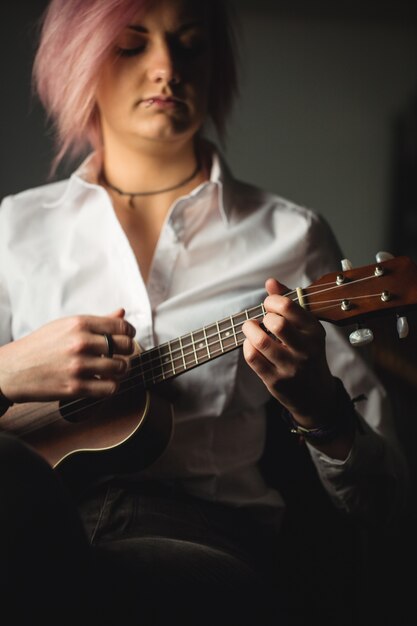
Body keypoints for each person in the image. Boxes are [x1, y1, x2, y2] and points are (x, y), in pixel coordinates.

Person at [0, 0, 408, 624]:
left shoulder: (289, 238)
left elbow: (385, 504)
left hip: (203, 541)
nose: (167, 66)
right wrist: (8, 369)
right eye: (132, 44)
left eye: (190, 44)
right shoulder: (15, 228)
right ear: (76, 63)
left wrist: (319, 406)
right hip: (28, 515)